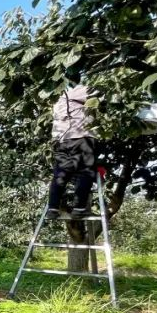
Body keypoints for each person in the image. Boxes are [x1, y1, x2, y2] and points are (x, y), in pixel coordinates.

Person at [46, 84, 98, 220]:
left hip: (61, 140)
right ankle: (79, 209)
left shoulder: (57, 95)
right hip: (81, 136)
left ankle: (52, 209)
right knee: (86, 172)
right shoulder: (75, 90)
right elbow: (101, 91)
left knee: (60, 175)